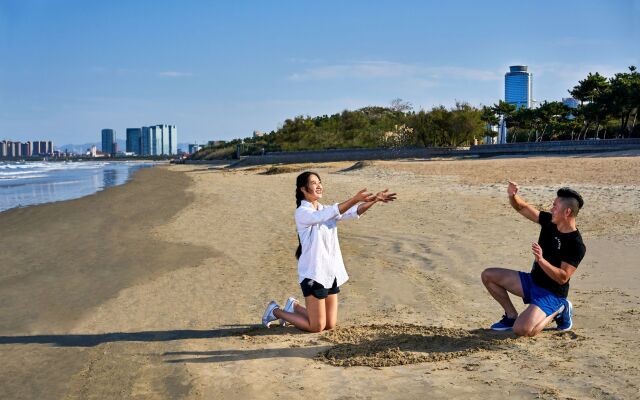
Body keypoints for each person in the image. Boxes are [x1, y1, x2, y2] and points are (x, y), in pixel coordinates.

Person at [262, 171, 396, 332]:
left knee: (329, 324)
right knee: (316, 327)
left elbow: (352, 212)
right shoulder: (302, 213)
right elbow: (327, 214)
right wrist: (354, 199)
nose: (319, 185)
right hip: (313, 274)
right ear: (303, 189)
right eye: (313, 183)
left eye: (319, 182)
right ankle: (276, 311)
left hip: (330, 272)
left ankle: (294, 306)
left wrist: (374, 200)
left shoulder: (324, 209)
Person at [481, 182, 586, 336]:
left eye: (555, 206)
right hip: (532, 282)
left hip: (551, 294)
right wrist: (513, 195)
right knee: (488, 275)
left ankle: (559, 309)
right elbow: (522, 207)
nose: (551, 209)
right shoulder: (549, 221)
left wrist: (541, 260)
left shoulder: (576, 244)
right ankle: (511, 316)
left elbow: (562, 277)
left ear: (567, 212)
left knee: (522, 330)